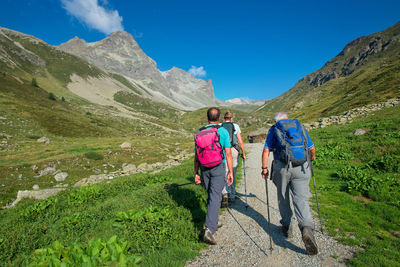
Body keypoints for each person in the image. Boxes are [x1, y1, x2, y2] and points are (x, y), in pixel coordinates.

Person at [261, 112, 318, 255]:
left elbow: (266, 150)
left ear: (275, 121)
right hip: (302, 167)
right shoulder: (299, 127)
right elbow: (311, 148)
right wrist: (312, 159)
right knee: (300, 199)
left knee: (283, 196)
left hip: (282, 168)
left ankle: (287, 225)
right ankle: (306, 228)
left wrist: (264, 168)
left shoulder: (274, 130)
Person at [194, 107, 234, 245]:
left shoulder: (200, 132)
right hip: (218, 167)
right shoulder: (222, 131)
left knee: (212, 195)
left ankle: (213, 220)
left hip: (204, 168)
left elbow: (196, 156)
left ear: (207, 118)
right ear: (218, 118)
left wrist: (196, 173)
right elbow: (228, 153)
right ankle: (209, 230)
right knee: (215, 196)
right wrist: (230, 172)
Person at [221, 111, 246, 206]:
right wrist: (243, 153)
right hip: (233, 150)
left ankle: (224, 193)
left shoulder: (220, 125)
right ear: (231, 118)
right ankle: (232, 195)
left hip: (223, 150)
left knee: (224, 171)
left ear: (224, 118)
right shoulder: (235, 126)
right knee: (233, 171)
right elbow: (240, 141)